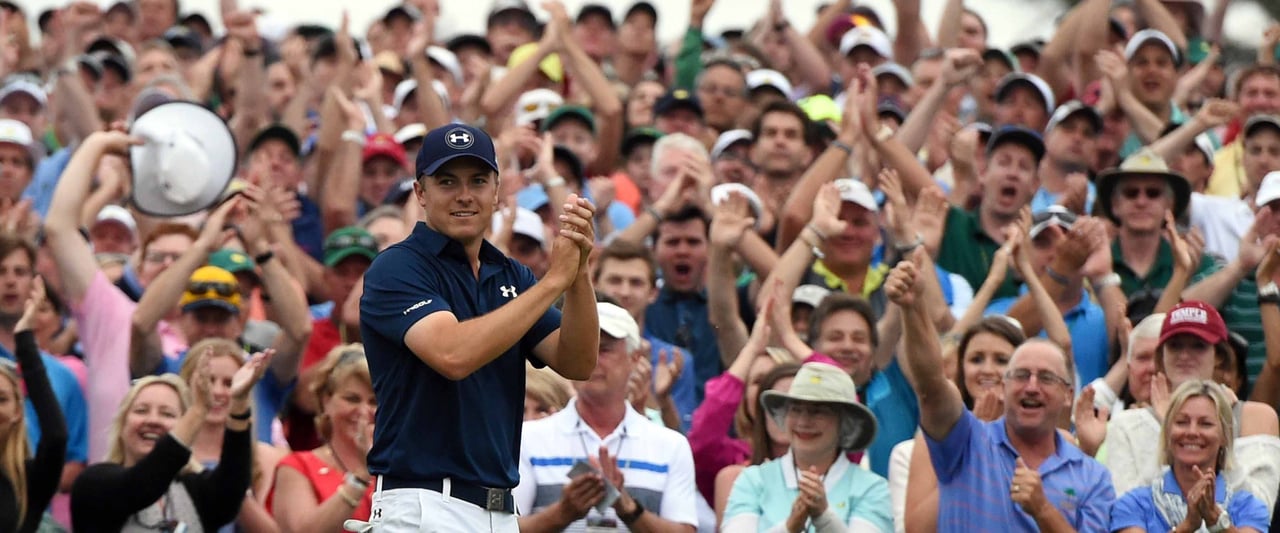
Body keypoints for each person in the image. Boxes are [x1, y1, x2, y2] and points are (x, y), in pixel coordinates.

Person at [359, 123, 599, 531]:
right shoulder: (397, 267)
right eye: (447, 181)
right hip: (424, 505)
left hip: (500, 511)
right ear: (420, 193)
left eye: (478, 180)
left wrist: (578, 274)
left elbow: (577, 361)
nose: (465, 195)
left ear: (497, 191)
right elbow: (453, 355)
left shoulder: (511, 274)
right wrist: (554, 281)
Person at [888, 251, 1115, 531]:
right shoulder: (964, 438)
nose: (1032, 387)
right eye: (1020, 375)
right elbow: (930, 385)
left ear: (1068, 394)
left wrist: (1043, 510)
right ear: (1004, 386)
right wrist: (913, 310)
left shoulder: (1092, 475)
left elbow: (1064, 345)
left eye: (1046, 378)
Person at [514, 302, 698, 531]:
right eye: (582, 346)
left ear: (635, 358)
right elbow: (504, 527)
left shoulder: (671, 446)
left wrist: (629, 508)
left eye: (605, 349)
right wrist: (563, 513)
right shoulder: (527, 439)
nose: (591, 359)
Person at [69, 347, 271, 532]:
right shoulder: (94, 484)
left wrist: (238, 403)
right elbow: (142, 485)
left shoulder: (195, 490)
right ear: (122, 425)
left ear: (184, 429)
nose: (153, 420)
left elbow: (232, 488)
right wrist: (199, 410)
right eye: (141, 410)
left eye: (167, 414)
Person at [722, 362, 893, 532]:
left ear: (844, 422)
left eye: (818, 411)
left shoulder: (871, 488)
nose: (803, 422)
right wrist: (789, 527)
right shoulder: (753, 481)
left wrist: (824, 517)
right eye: (795, 410)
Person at [1109, 380, 1271, 533]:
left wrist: (1216, 520)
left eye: (1205, 424)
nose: (1192, 432)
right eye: (1181, 422)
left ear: (1224, 436)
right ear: (1167, 431)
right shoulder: (1134, 504)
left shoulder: (1248, 506)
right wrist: (1187, 526)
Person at [268, 344, 379, 531]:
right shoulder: (297, 467)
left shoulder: (396, 468)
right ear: (326, 401)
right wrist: (360, 476)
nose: (363, 411)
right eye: (352, 399)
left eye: (374, 401)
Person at [0, 276, 66, 533]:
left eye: (2, 400)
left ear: (18, 411)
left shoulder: (29, 480)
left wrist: (24, 339)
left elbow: (56, 435)